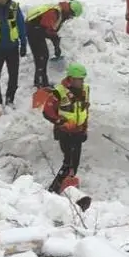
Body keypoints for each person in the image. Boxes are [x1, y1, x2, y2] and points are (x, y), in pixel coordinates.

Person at [42, 62, 92, 211]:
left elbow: (85, 111)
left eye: (83, 79)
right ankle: (54, 191)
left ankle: (62, 191)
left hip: (78, 132)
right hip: (64, 132)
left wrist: (84, 128)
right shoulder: (59, 92)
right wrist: (61, 122)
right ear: (71, 78)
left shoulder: (85, 90)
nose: (82, 82)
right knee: (68, 162)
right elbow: (47, 112)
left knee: (73, 164)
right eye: (79, 79)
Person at [25, 0, 83, 88]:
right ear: (70, 11)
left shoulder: (60, 12)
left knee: (43, 56)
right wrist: (55, 41)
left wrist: (56, 44)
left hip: (37, 30)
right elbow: (47, 29)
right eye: (72, 15)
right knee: (41, 57)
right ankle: (40, 84)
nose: (71, 18)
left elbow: (50, 29)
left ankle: (42, 82)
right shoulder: (55, 12)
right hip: (34, 30)